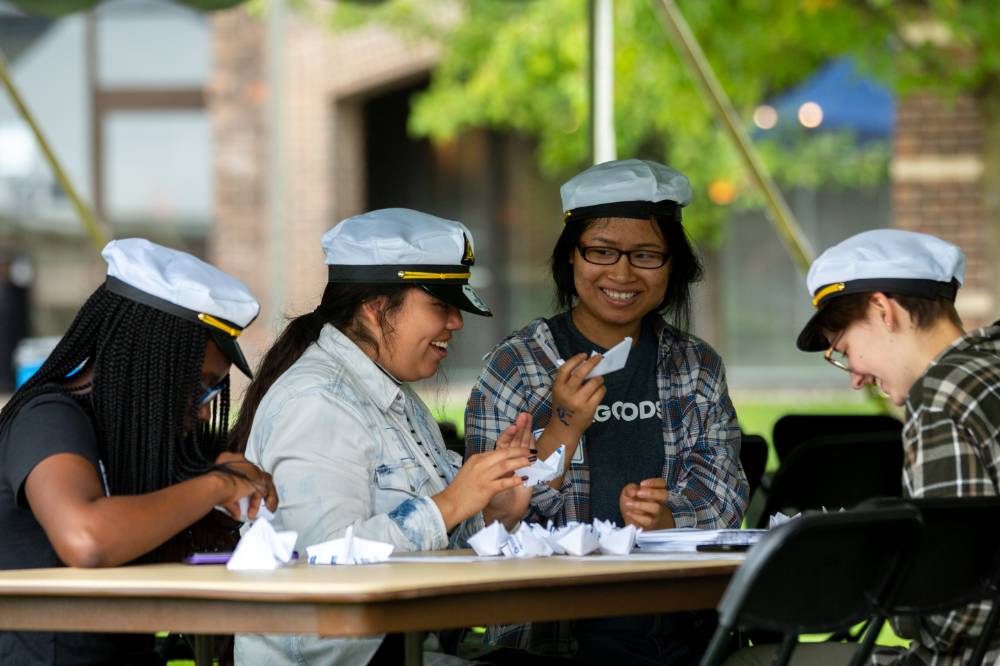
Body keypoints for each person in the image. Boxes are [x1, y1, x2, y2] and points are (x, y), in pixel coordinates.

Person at [466, 159, 747, 664]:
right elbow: (487, 530)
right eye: (600, 251)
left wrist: (667, 519)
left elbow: (725, 499)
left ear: (672, 267)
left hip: (686, 637)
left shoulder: (696, 365)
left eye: (646, 255)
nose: (621, 273)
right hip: (552, 643)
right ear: (570, 258)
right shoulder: (516, 366)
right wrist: (566, 424)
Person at [231, 208, 534, 666]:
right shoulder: (317, 402)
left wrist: (494, 509)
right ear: (376, 309)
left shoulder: (394, 396)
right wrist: (451, 502)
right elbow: (322, 567)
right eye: (440, 305)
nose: (457, 322)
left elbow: (435, 551)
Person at [727, 228, 1000, 665]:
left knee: (748, 662)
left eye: (844, 348)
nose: (853, 376)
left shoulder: (938, 400)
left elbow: (954, 605)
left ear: (882, 309)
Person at [0, 238, 277, 665]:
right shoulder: (49, 418)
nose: (205, 411)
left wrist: (223, 515)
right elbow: (86, 539)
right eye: (199, 385)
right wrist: (213, 486)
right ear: (148, 362)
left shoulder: (131, 442)